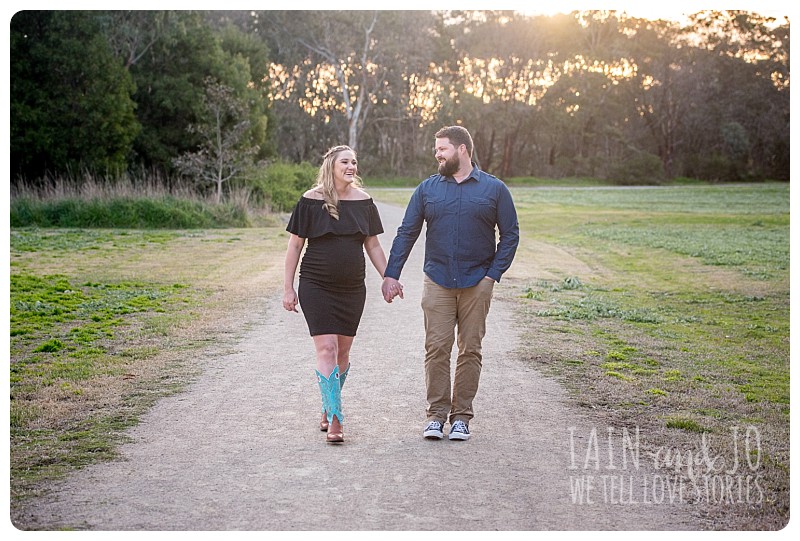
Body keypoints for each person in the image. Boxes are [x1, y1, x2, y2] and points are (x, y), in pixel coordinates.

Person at [381, 126, 519, 441]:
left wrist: (492, 276)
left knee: (470, 349)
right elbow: (407, 232)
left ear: (462, 150)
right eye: (437, 149)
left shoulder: (494, 190)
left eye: (442, 149)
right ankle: (436, 415)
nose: (437, 154)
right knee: (437, 347)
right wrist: (392, 274)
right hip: (438, 280)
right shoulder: (427, 189)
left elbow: (510, 235)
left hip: (477, 282)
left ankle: (461, 418)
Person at [283, 145, 389, 444]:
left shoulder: (364, 201)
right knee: (327, 349)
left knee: (342, 352)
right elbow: (294, 246)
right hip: (315, 285)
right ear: (331, 165)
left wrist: (389, 277)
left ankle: (328, 406)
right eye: (345, 161)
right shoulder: (309, 200)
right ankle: (337, 419)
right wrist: (288, 287)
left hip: (352, 288)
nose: (351, 165)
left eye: (355, 161)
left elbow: (374, 246)